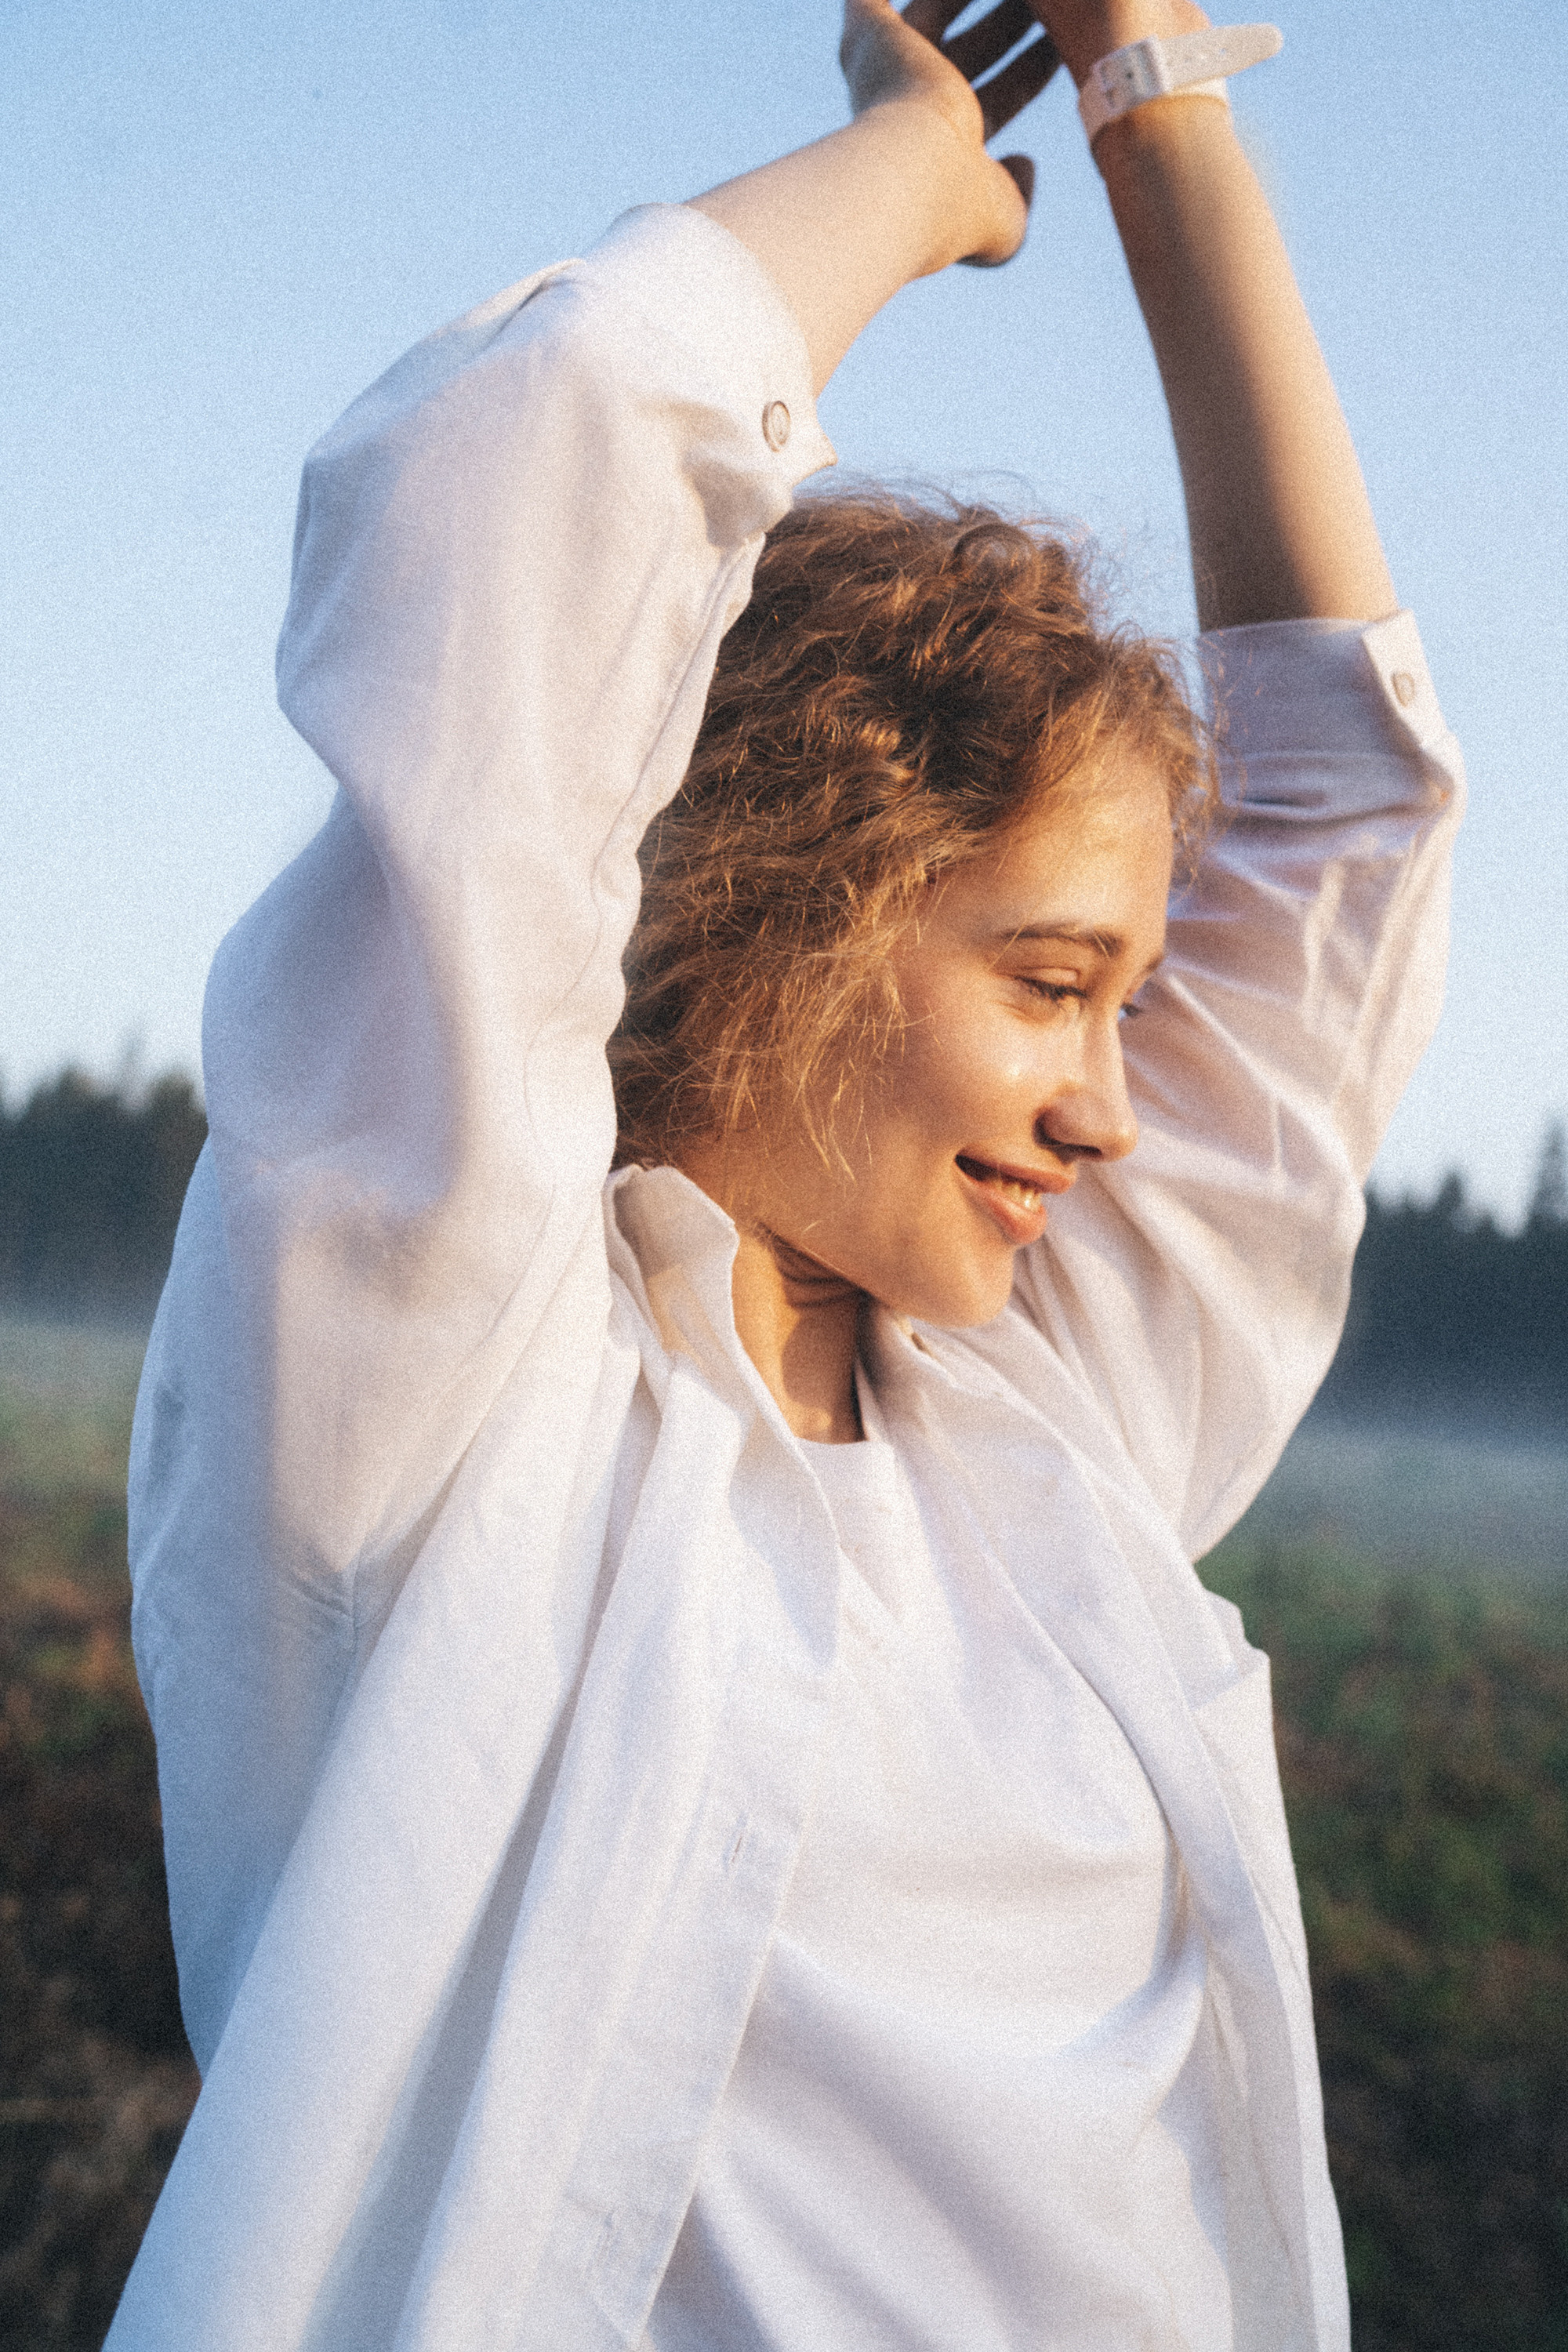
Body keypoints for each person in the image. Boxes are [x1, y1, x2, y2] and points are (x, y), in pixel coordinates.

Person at [110, 0, 1462, 2345]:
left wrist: (1155, 104)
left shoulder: (1059, 1436)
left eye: (1132, 1003)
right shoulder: (428, 1402)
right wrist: (922, 165)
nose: (1114, 1106)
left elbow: (1347, 818)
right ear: (793, 910)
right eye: (1049, 983)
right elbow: (523, 479)